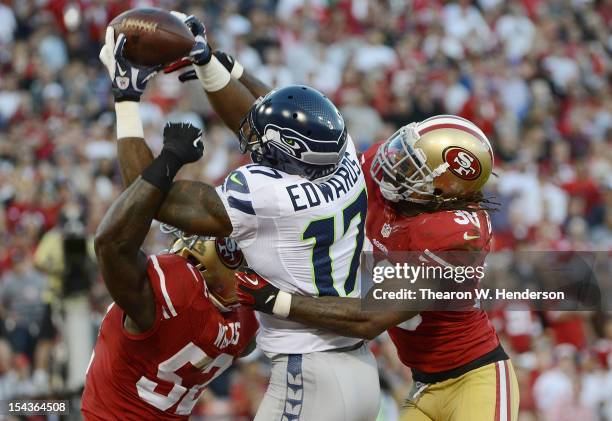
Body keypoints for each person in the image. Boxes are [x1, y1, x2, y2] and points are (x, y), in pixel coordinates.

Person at [97, 13, 380, 421]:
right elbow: (269, 115)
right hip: (357, 371)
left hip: (311, 369)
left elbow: (145, 201)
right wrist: (206, 62)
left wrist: (126, 99)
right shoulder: (343, 155)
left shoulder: (267, 195)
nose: (253, 144)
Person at [237, 115, 520, 421]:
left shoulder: (455, 236)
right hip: (423, 387)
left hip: (476, 379)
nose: (393, 164)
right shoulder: (382, 175)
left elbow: (370, 318)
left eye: (413, 168)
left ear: (446, 190)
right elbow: (305, 149)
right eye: (402, 153)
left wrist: (273, 299)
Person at [81, 122, 258, 420]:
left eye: (208, 236)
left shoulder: (177, 289)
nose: (194, 235)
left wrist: (170, 158)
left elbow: (112, 242)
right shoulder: (245, 327)